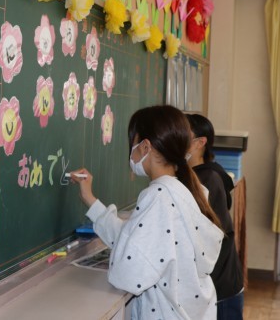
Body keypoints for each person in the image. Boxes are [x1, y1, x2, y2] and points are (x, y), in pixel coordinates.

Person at [70, 105, 224, 320]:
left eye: (132, 144)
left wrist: (117, 259)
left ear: (144, 146)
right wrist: (90, 200)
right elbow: (136, 240)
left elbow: (128, 273)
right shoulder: (183, 189)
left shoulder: (159, 196)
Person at [186, 114, 244, 320]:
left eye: (182, 133)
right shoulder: (196, 175)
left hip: (220, 288)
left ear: (200, 142)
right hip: (216, 285)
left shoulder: (206, 180)